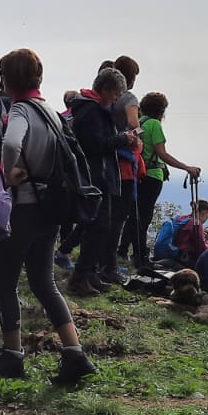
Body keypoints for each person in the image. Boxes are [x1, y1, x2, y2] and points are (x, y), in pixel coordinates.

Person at [0, 48, 98, 387]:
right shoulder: (50, 110)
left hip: (23, 208)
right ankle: (74, 352)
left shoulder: (20, 109)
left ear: (8, 79)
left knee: (3, 281)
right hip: (51, 207)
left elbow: (10, 142)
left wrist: (7, 174)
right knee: (43, 282)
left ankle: (12, 354)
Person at [67, 67, 138, 296]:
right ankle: (79, 278)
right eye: (116, 93)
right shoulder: (91, 111)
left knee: (100, 228)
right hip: (94, 177)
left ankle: (89, 274)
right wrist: (122, 139)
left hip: (99, 177)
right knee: (97, 228)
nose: (117, 99)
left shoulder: (93, 108)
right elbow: (93, 144)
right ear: (106, 89)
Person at [131, 92, 201, 272]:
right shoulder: (154, 124)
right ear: (161, 110)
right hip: (152, 174)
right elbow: (162, 153)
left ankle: (129, 251)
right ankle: (141, 257)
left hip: (138, 173)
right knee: (145, 216)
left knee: (136, 214)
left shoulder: (140, 123)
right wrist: (186, 167)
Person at [107, 56, 143, 277]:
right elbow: (133, 124)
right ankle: (109, 265)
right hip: (124, 163)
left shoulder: (108, 99)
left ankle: (102, 261)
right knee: (119, 217)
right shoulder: (128, 97)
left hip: (107, 159)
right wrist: (138, 136)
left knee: (106, 215)